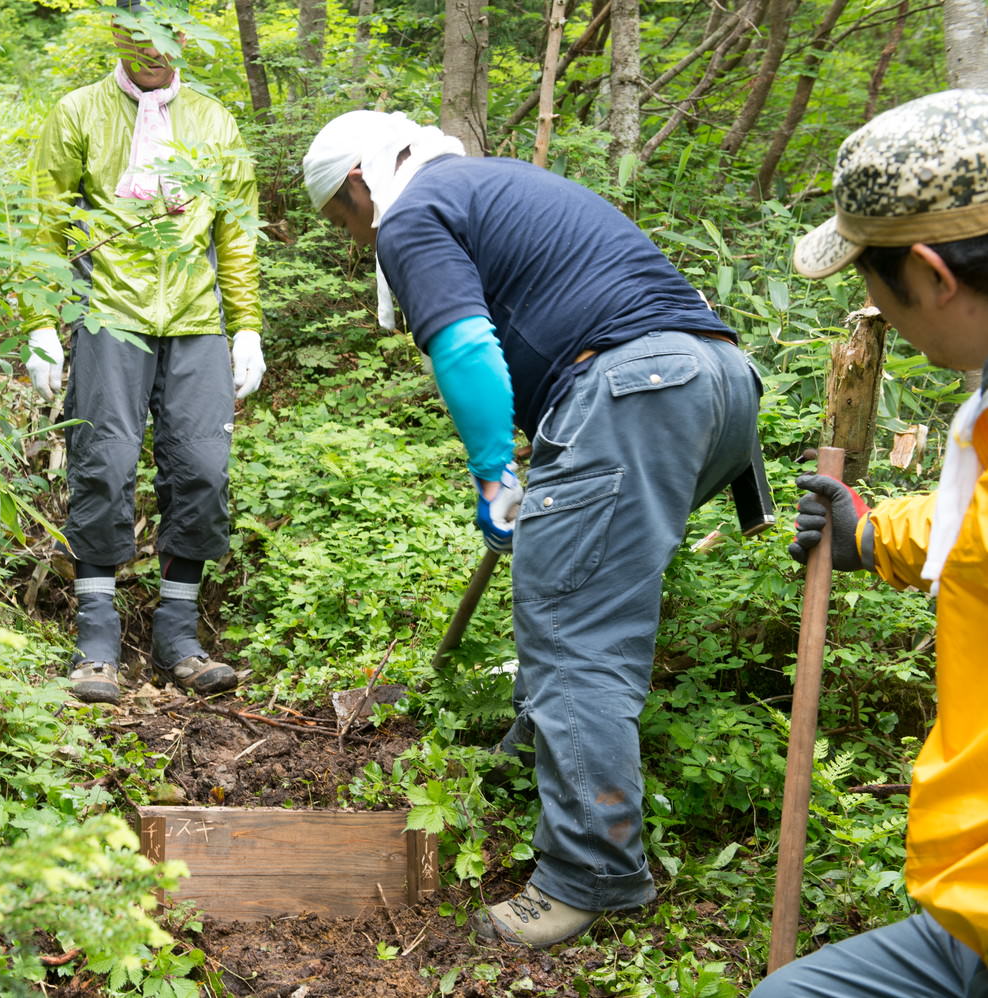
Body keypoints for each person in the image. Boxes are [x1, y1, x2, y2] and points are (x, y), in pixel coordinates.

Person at [301, 111, 764, 947]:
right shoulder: (491, 183)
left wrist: (493, 473)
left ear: (360, 182)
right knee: (574, 582)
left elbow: (468, 347)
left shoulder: (410, 212)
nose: (354, 236)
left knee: (572, 628)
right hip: (720, 382)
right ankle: (531, 757)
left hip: (635, 388)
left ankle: (593, 875)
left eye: (343, 217)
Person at [753, 88, 988, 997]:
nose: (875, 308)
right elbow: (972, 524)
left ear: (930, 273)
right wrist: (871, 534)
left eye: (870, 279)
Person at [23, 0, 265, 704]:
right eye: (138, 33)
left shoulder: (214, 120)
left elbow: (236, 231)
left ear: (183, 39)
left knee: (204, 468)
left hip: (196, 317)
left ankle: (178, 639)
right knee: (105, 462)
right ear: (118, 35)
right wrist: (41, 320)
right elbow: (46, 221)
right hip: (108, 313)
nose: (153, 49)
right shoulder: (78, 113)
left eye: (166, 36)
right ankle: (96, 640)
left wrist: (245, 326)